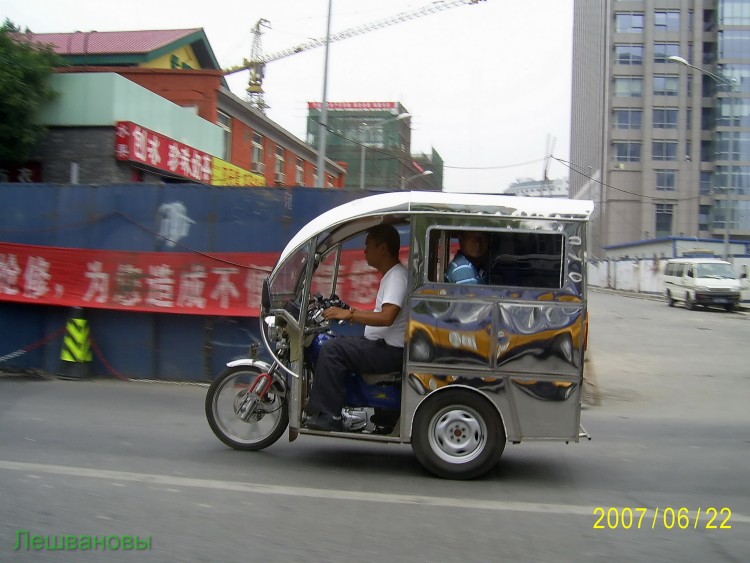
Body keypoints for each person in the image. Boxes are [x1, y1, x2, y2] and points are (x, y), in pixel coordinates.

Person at [303, 224, 408, 432]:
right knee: (335, 342)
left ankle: (329, 415)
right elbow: (382, 312)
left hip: (389, 351)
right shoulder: (393, 275)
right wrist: (352, 311)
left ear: (383, 249)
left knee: (332, 349)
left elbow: (387, 317)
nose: (364, 251)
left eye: (368, 246)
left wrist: (350, 314)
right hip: (384, 346)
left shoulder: (397, 277)